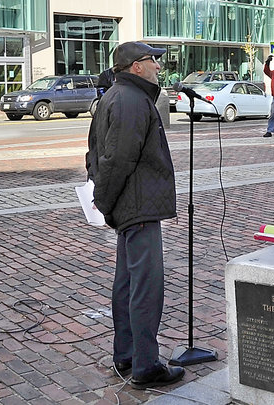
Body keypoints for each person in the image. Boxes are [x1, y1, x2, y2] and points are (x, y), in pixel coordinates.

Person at [85, 41, 184, 388]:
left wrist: (107, 201)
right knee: (145, 287)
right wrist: (105, 201)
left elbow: (94, 154)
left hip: (130, 206)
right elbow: (116, 160)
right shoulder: (130, 99)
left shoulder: (116, 95)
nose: (158, 65)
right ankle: (144, 364)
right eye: (152, 60)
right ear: (135, 66)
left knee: (127, 284)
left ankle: (125, 355)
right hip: (136, 207)